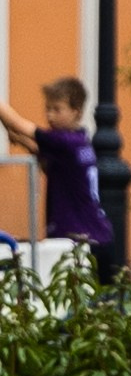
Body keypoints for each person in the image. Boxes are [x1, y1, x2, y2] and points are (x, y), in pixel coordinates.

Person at [0, 77, 117, 281]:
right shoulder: (80, 141)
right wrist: (20, 141)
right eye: (47, 109)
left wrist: (16, 131)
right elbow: (50, 164)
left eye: (57, 109)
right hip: (99, 235)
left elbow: (19, 125)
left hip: (78, 241)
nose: (50, 115)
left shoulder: (64, 141)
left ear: (76, 111)